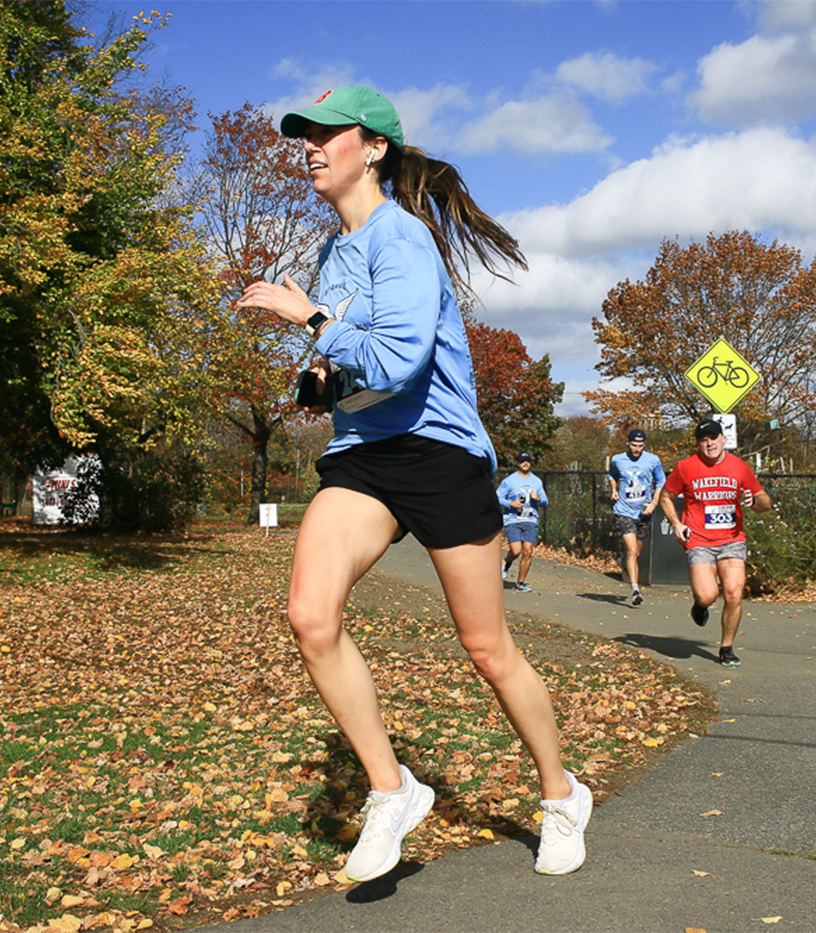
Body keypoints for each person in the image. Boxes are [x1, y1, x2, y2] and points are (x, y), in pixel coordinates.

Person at [234, 86, 590, 882]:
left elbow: (399, 362)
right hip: (364, 453)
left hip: (437, 452)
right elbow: (357, 363)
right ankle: (392, 790)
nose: (311, 148)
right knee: (309, 614)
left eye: (328, 134)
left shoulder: (405, 241)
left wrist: (312, 323)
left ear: (375, 149)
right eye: (305, 137)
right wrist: (319, 376)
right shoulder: (333, 253)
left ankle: (562, 795)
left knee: (487, 646)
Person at [659, 420, 772, 667]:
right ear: (699, 444)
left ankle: (727, 648)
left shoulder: (739, 466)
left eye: (713, 438)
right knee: (708, 594)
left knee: (733, 594)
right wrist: (678, 524)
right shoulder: (686, 467)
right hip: (699, 540)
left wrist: (754, 501)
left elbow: (765, 502)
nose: (709, 444)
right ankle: (700, 606)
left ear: (723, 440)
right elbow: (665, 496)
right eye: (703, 439)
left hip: (732, 540)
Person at [608, 428, 665, 606]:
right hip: (624, 510)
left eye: (640, 446)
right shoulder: (618, 459)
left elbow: (661, 481)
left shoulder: (653, 460)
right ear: (628, 442)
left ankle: (623, 562)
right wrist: (614, 490)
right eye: (634, 445)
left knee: (636, 552)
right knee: (632, 550)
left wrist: (654, 502)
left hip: (644, 511)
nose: (637, 449)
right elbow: (612, 475)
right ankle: (635, 590)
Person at [497, 451, 547, 593]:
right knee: (516, 550)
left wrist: (538, 499)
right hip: (513, 520)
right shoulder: (509, 481)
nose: (525, 463)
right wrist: (510, 504)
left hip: (531, 520)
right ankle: (507, 562)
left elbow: (545, 501)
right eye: (522, 461)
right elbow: (497, 497)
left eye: (528, 461)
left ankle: (520, 583)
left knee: (528, 552)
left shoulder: (537, 481)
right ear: (517, 463)